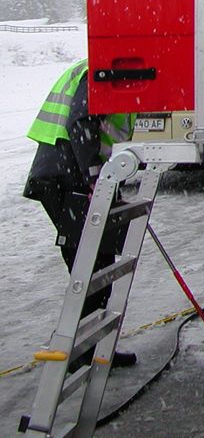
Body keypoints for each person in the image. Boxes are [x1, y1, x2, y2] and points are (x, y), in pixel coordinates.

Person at [23, 60, 138, 367]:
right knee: (88, 263)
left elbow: (106, 134)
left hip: (73, 173)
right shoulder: (102, 68)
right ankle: (80, 350)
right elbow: (80, 121)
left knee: (98, 263)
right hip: (63, 174)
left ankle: (93, 348)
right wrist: (94, 176)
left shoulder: (119, 71)